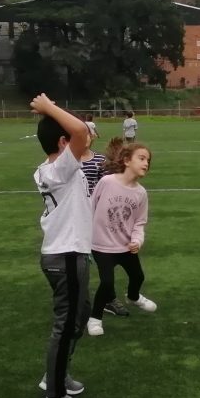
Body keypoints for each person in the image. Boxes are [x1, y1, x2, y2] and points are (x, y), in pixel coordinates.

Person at [32, 93, 95, 398]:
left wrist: (54, 114)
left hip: (69, 253)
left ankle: (56, 375)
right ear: (62, 142)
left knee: (79, 315)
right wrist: (50, 108)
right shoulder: (60, 168)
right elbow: (81, 131)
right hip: (66, 255)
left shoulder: (56, 168)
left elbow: (82, 135)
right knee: (66, 323)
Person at [87, 140, 156, 337]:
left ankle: (133, 297)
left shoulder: (141, 193)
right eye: (141, 158)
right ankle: (95, 319)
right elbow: (90, 207)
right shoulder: (107, 182)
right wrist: (84, 236)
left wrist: (137, 241)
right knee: (107, 283)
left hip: (125, 247)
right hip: (101, 246)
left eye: (148, 160)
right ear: (127, 160)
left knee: (138, 276)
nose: (146, 163)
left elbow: (139, 223)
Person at [81, 126, 129, 319]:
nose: (84, 138)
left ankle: (109, 298)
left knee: (105, 262)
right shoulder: (67, 162)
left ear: (92, 136)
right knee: (78, 264)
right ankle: (78, 300)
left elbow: (110, 188)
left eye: (87, 134)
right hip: (75, 219)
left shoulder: (100, 161)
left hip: (97, 220)